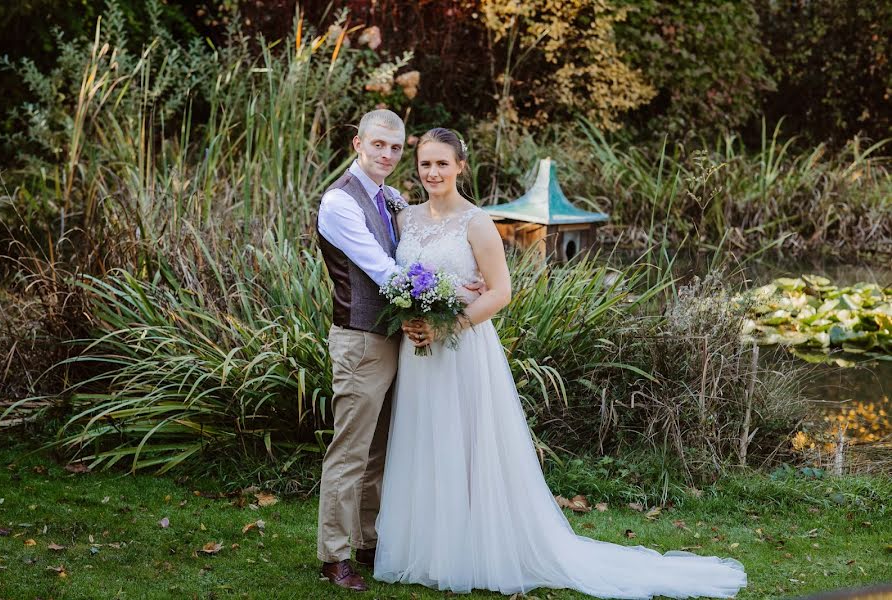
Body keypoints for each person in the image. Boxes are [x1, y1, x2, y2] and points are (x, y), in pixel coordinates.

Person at [373, 127, 748, 599]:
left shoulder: (477, 222)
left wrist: (448, 325)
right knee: (425, 440)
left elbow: (500, 292)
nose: (432, 172)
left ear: (460, 167)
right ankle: (426, 547)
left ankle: (471, 547)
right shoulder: (406, 220)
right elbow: (401, 279)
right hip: (418, 351)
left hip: (462, 349)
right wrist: (411, 316)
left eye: (442, 164)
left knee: (463, 442)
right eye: (425, 164)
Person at [315, 111, 481, 592]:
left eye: (395, 148)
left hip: (399, 340)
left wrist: (458, 281)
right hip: (361, 339)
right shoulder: (339, 203)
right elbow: (386, 271)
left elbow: (421, 254)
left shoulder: (391, 199)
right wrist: (458, 295)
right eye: (378, 146)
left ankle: (367, 541)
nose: (387, 155)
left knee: (382, 449)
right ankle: (334, 555)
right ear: (357, 144)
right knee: (350, 449)